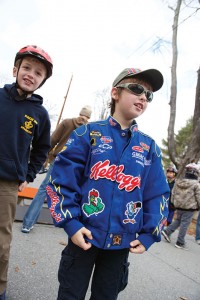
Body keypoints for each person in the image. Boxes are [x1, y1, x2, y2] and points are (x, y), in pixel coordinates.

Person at [46, 67, 170, 300]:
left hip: (121, 244)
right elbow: (60, 181)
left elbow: (159, 194)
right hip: (83, 236)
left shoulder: (149, 148)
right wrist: (71, 223)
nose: (144, 97)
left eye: (149, 95)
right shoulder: (87, 134)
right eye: (137, 89)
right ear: (115, 93)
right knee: (70, 294)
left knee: (106, 295)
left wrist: (149, 234)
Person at [0, 45, 53, 299]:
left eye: (38, 73)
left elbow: (42, 149)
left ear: (42, 81)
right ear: (15, 69)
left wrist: (28, 175)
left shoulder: (40, 114)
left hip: (8, 184)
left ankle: (0, 287)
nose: (31, 74)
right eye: (27, 67)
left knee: (1, 243)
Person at [21, 105, 92, 233]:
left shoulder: (67, 122)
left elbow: (52, 140)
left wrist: (45, 158)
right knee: (74, 192)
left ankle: (28, 223)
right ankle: (75, 226)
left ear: (80, 113)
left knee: (43, 190)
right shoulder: (88, 129)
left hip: (59, 160)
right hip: (77, 165)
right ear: (89, 117)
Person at [162, 163, 200, 250]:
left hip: (178, 206)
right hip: (190, 207)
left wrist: (173, 203)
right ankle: (180, 242)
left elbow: (173, 193)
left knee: (178, 220)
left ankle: (167, 231)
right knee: (184, 224)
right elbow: (198, 196)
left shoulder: (179, 181)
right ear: (195, 173)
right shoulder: (196, 185)